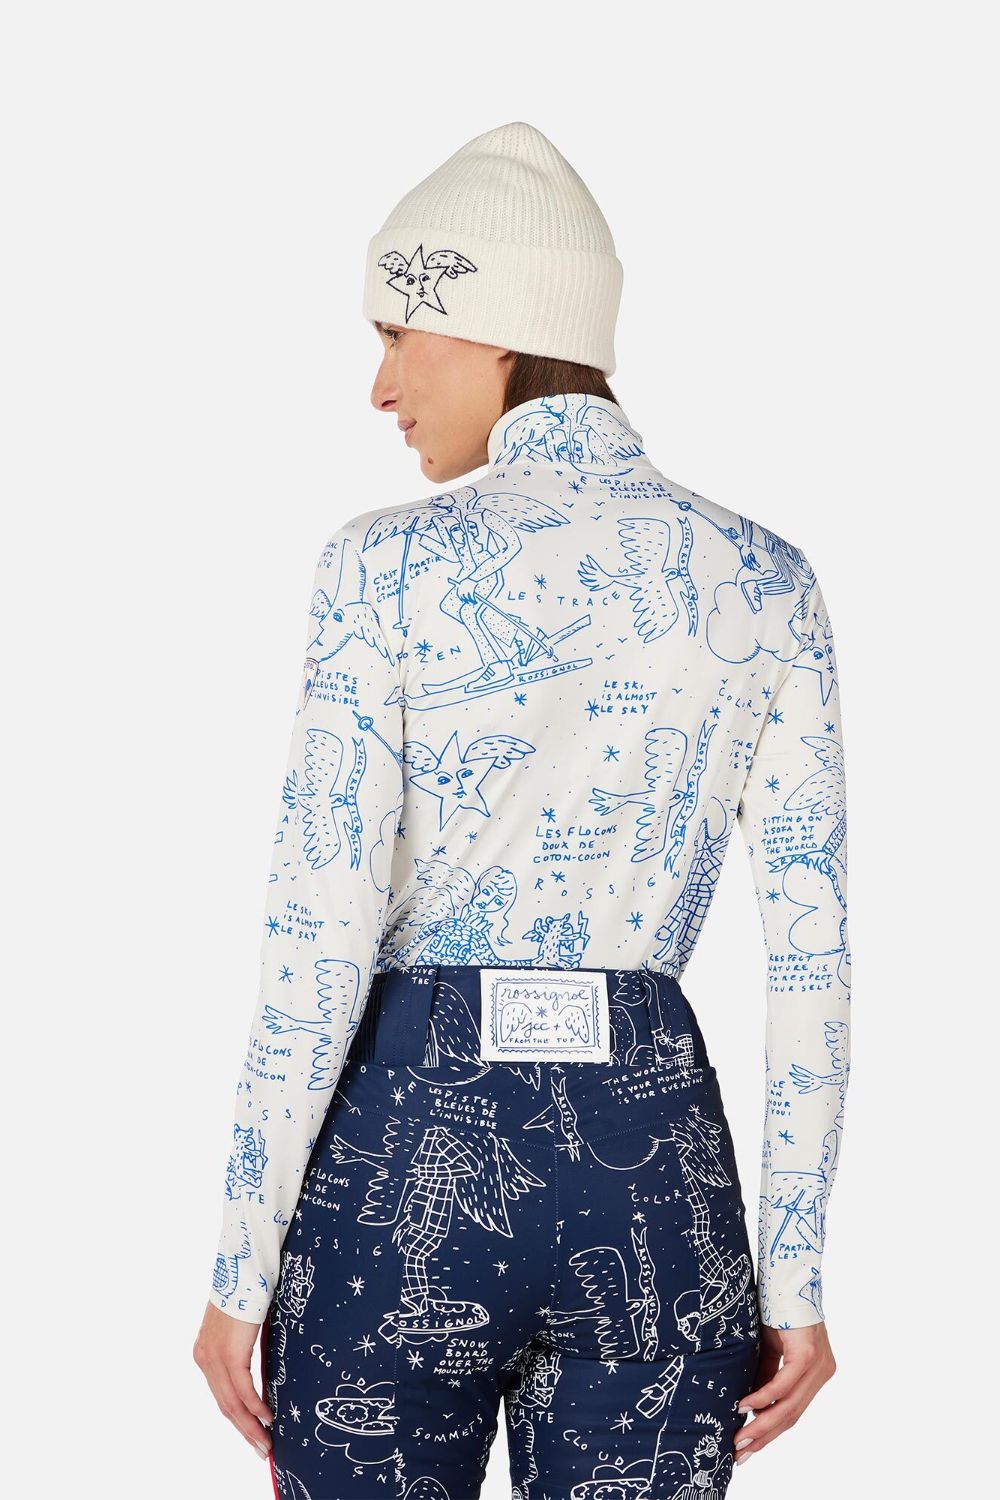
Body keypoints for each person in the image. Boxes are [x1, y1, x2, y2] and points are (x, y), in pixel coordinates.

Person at [194, 121, 850, 1499]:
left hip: (402, 1176)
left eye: (398, 335)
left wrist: (239, 1271)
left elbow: (318, 934)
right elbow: (812, 958)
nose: (381, 387)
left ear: (497, 328)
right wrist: (792, 1277)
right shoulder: (766, 577)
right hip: (656, 1181)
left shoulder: (380, 566)